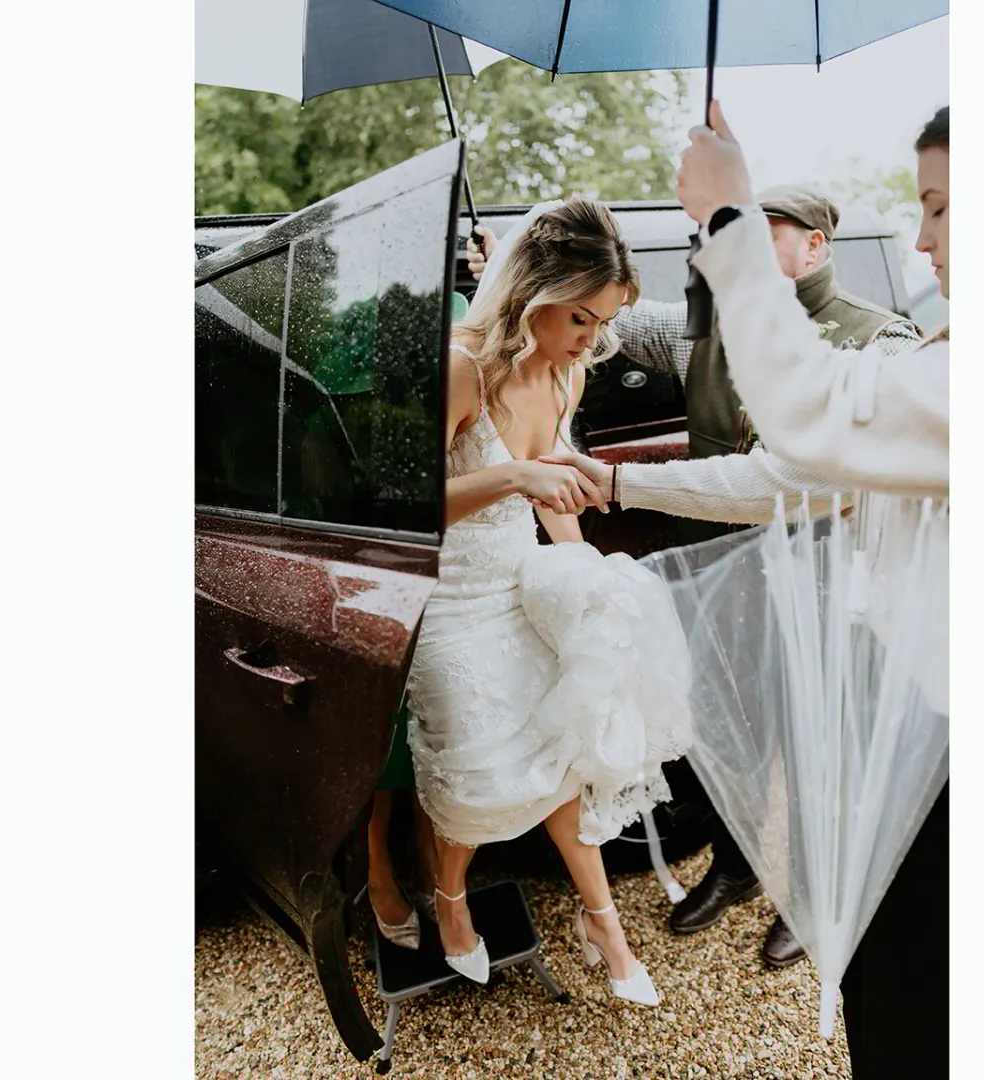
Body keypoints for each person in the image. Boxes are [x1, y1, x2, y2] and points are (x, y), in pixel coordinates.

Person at [543, 105, 951, 1078]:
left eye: (940, 207)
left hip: (948, 753)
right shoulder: (944, 362)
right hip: (909, 727)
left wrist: (727, 218)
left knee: (919, 1001)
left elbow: (810, 420)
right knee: (887, 986)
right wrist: (616, 483)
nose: (924, 237)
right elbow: (782, 473)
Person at [465, 185, 924, 968]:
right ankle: (738, 868)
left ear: (815, 247)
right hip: (717, 573)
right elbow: (583, 312)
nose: (733, 255)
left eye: (763, 236)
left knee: (816, 743)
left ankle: (809, 899)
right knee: (721, 723)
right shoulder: (697, 330)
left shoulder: (881, 341)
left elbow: (808, 470)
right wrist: (505, 261)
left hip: (821, 585)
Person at [405, 197, 692, 1008]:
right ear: (534, 292)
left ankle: (604, 921)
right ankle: (452, 900)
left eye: (601, 323)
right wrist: (513, 475)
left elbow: (555, 498)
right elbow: (404, 508)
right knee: (479, 769)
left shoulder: (564, 372)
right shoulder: (461, 366)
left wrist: (582, 572)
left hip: (520, 584)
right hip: (451, 601)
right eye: (578, 318)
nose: (589, 341)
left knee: (567, 745)